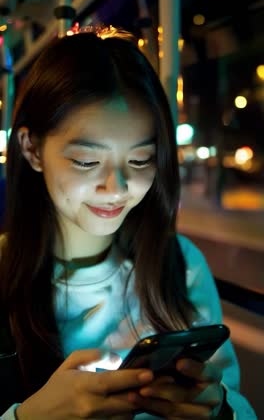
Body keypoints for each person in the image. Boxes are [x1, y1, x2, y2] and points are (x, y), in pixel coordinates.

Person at [0, 26, 256, 419]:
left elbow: (236, 403)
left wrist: (219, 409)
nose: (116, 188)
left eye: (139, 161)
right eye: (87, 161)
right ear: (32, 149)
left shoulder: (179, 265)